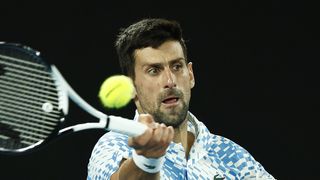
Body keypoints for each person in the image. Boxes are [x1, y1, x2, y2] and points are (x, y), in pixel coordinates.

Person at [87, 18, 275, 180]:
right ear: (131, 87)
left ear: (191, 75)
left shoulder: (231, 156)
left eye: (177, 66)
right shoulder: (113, 146)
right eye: (154, 70)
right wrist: (146, 160)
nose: (170, 81)